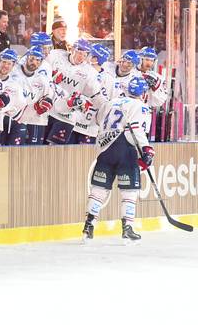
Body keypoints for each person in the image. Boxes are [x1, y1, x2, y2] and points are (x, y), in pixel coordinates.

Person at [82, 76, 153, 243]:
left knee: (99, 189)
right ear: (143, 93)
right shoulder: (141, 107)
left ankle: (88, 226)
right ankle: (127, 228)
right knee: (129, 191)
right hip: (125, 149)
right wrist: (146, 150)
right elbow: (135, 129)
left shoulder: (110, 103)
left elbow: (98, 120)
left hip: (104, 150)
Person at [48, 40, 103, 145]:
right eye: (79, 52)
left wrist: (84, 102)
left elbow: (95, 95)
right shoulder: (56, 55)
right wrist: (51, 76)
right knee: (37, 148)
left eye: (85, 54)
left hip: (65, 115)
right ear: (72, 49)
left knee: (54, 151)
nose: (81, 57)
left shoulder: (90, 73)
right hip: (47, 109)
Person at [9, 46, 51, 145]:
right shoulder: (14, 71)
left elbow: (48, 96)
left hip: (34, 121)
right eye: (32, 59)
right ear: (26, 58)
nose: (34, 62)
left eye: (37, 60)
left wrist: (46, 104)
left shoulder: (42, 80)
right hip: (12, 118)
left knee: (32, 154)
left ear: (40, 63)